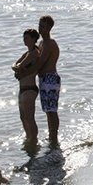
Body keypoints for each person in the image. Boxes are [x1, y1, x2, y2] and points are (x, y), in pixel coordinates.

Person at [34, 15, 61, 146]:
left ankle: (54, 137)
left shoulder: (50, 43)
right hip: (43, 79)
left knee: (52, 110)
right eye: (40, 25)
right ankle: (51, 135)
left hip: (50, 78)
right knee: (47, 110)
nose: (41, 28)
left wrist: (27, 72)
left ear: (49, 28)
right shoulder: (41, 43)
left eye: (43, 26)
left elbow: (41, 62)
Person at [11, 28, 41, 144]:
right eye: (24, 38)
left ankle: (34, 140)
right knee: (23, 117)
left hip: (30, 89)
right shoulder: (27, 53)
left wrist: (18, 68)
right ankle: (29, 138)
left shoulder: (34, 53)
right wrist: (17, 68)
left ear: (34, 39)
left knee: (29, 118)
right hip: (22, 89)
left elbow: (18, 66)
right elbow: (14, 65)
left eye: (27, 38)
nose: (24, 40)